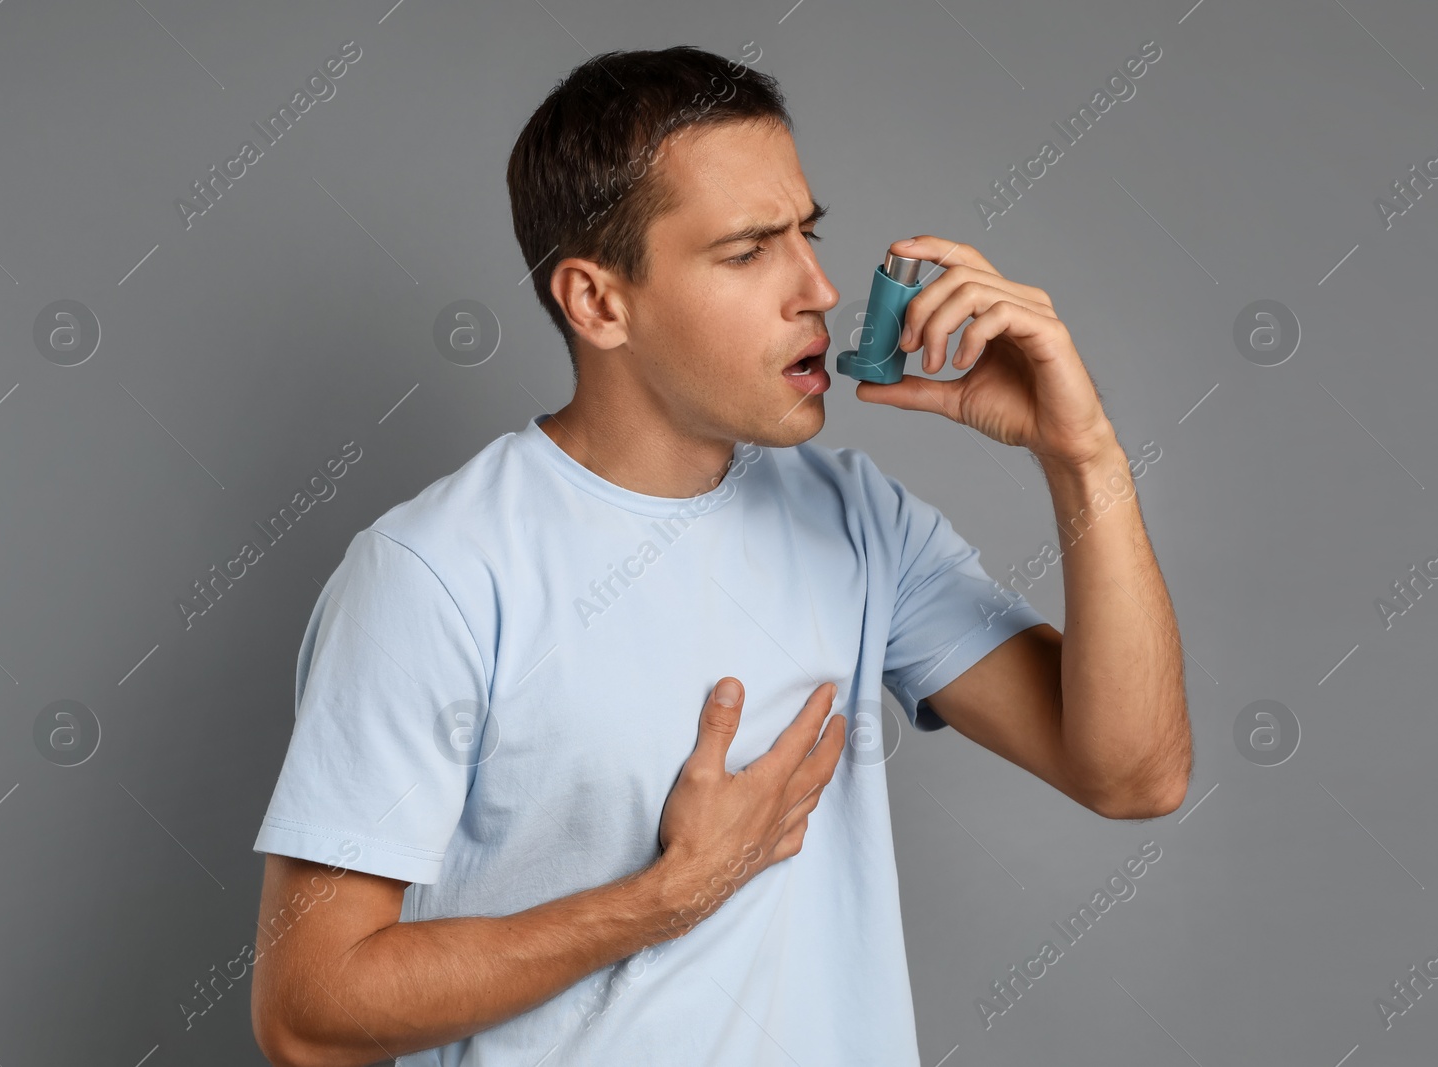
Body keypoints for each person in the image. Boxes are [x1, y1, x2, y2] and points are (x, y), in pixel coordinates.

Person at [248, 44, 1191, 1067]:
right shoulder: (432, 573)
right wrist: (664, 897)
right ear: (598, 302)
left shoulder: (858, 521)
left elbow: (1133, 774)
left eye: (807, 233)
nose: (820, 288)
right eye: (748, 251)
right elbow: (307, 1010)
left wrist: (1082, 455)